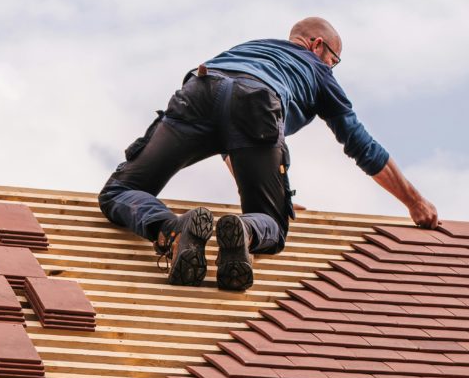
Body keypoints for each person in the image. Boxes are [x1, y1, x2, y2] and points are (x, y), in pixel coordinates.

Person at [97, 17, 438, 291]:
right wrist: (414, 202)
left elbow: (226, 119)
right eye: (334, 61)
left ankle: (170, 228)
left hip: (200, 88)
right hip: (258, 104)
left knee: (120, 191)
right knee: (272, 222)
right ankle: (246, 231)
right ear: (317, 46)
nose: (331, 68)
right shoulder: (316, 70)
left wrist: (275, 189)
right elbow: (361, 144)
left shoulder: (249, 49)